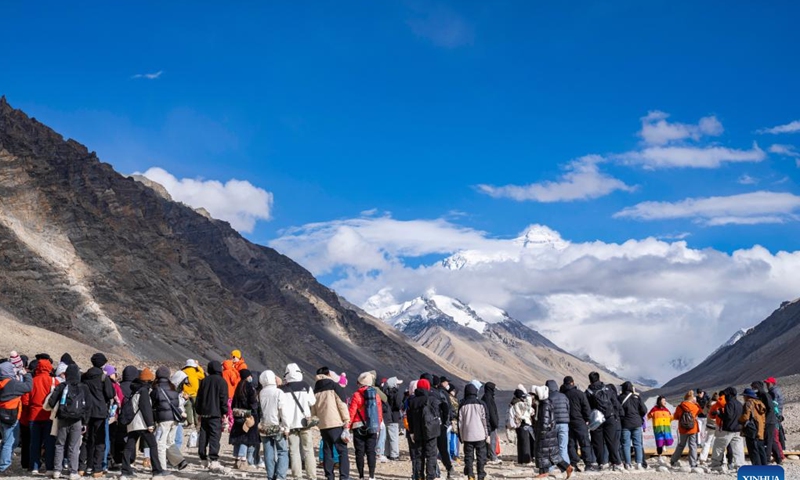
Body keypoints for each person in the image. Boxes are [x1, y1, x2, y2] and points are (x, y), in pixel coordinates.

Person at [46, 363, 88, 480]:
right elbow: (87, 406)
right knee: (73, 446)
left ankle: (57, 471)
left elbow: (51, 402)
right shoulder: (83, 387)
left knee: (60, 444)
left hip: (63, 418)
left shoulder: (62, 386)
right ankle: (73, 472)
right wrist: (85, 422)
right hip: (77, 420)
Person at [120, 368, 163, 479]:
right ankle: (157, 471)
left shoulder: (136, 390)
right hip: (142, 424)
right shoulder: (144, 391)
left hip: (132, 423)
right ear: (148, 380)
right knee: (153, 445)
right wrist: (150, 424)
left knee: (129, 446)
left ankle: (125, 472)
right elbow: (145, 408)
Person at [81, 353, 115, 477]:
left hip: (87, 411)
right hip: (100, 412)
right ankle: (97, 468)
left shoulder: (84, 376)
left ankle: (84, 466)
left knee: (87, 440)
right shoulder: (103, 377)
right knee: (99, 441)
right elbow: (110, 394)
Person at [313, 367, 350, 480]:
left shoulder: (315, 389)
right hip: (335, 423)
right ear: (328, 374)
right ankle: (344, 477)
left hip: (323, 425)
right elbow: (342, 404)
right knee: (342, 451)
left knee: (327, 450)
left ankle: (330, 476)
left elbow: (313, 410)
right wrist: (346, 420)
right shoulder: (334, 386)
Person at [283, 363, 317, 480]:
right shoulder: (306, 386)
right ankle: (312, 476)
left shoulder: (283, 389)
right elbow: (312, 402)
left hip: (291, 424)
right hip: (305, 423)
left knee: (294, 451)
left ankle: (297, 476)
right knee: (308, 450)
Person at [532, 386, 573, 479]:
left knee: (542, 453)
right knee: (553, 455)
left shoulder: (544, 405)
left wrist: (542, 432)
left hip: (545, 434)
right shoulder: (547, 403)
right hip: (549, 433)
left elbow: (545, 420)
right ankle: (567, 467)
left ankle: (544, 472)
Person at [196, 361, 229, 473]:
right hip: (216, 414)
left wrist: (199, 411)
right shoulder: (222, 382)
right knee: (214, 436)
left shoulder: (204, 381)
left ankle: (203, 458)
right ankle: (213, 459)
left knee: (203, 435)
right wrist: (225, 412)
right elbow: (223, 399)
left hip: (204, 413)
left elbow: (199, 397)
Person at [348, 372, 382, 480]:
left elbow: (352, 412)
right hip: (372, 426)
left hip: (358, 426)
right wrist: (378, 423)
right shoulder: (376, 395)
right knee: (371, 451)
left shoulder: (356, 395)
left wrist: (347, 427)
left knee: (359, 452)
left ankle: (361, 476)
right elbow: (379, 412)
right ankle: (371, 476)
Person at [0, 360, 33, 473]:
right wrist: (27, 374)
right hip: (11, 416)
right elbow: (28, 387)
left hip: (2, 415)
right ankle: (3, 466)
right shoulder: (13, 384)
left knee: (5, 440)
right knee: (10, 442)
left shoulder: (2, 382)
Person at [585, 372, 622, 471]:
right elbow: (615, 403)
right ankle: (615, 462)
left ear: (590, 380)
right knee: (612, 441)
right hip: (610, 418)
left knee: (598, 443)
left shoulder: (588, 392)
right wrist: (615, 415)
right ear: (599, 378)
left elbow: (586, 407)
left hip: (597, 420)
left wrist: (588, 419)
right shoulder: (607, 389)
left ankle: (601, 463)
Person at [560, 376, 597, 472]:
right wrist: (587, 418)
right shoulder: (580, 393)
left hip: (567, 421)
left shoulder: (563, 394)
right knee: (584, 443)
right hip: (580, 421)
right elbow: (586, 407)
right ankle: (588, 464)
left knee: (571, 444)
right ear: (572, 383)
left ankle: (573, 464)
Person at [150, 366, 183, 472]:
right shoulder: (173, 387)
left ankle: (161, 468)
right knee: (170, 441)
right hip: (175, 418)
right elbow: (177, 403)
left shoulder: (156, 388)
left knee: (160, 444)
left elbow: (152, 404)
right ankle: (180, 461)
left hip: (163, 419)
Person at [28, 357, 57, 474]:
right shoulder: (54, 381)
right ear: (49, 368)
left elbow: (26, 400)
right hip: (49, 416)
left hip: (34, 415)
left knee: (34, 443)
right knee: (49, 442)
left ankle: (34, 466)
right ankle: (49, 467)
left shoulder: (32, 381)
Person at [259, 370, 290, 480]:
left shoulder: (262, 393)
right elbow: (283, 412)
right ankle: (280, 476)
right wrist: (286, 427)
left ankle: (270, 476)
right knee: (282, 451)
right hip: (277, 426)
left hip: (264, 426)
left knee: (268, 452)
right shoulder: (278, 392)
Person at [408, 379, 438, 480]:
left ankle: (419, 477)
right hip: (431, 432)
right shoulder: (432, 399)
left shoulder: (412, 401)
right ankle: (430, 477)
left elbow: (409, 418)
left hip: (417, 432)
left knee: (418, 455)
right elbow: (437, 414)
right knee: (431, 455)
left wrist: (411, 431)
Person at [708, 387, 744, 471]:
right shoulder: (739, 404)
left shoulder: (729, 403)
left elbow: (728, 416)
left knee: (718, 446)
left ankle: (716, 464)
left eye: (726, 394)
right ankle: (740, 465)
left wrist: (719, 413)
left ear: (729, 395)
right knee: (738, 449)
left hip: (728, 429)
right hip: (738, 429)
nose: (725, 396)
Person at [230, 369, 260, 470]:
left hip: (238, 414)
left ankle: (236, 460)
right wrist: (254, 413)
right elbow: (253, 403)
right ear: (248, 376)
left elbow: (233, 403)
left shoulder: (238, 386)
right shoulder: (249, 388)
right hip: (248, 415)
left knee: (238, 438)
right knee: (245, 438)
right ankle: (243, 461)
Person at [458, 383, 489, 480]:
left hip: (467, 435)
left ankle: (470, 475)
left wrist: (461, 437)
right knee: (481, 456)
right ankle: (481, 474)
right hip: (480, 435)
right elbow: (485, 420)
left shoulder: (462, 405)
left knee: (469, 456)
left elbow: (460, 423)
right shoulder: (481, 404)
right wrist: (486, 434)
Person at [617, 381, 646, 470]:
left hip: (625, 423)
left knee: (626, 444)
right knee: (638, 444)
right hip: (637, 423)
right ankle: (639, 464)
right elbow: (644, 410)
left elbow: (618, 410)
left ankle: (628, 464)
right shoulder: (637, 397)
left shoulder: (620, 398)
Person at [752, 381, 782, 465]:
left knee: (768, 440)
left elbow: (770, 409)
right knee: (771, 440)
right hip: (766, 421)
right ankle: (778, 458)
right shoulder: (759, 396)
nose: (753, 389)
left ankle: (767, 459)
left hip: (769, 421)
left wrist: (765, 420)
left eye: (754, 387)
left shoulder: (765, 395)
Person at [670, 390, 701, 469]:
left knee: (681, 445)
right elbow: (700, 411)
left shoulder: (680, 406)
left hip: (683, 428)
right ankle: (693, 463)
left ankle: (673, 460)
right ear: (691, 398)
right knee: (693, 445)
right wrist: (696, 403)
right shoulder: (695, 406)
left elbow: (676, 416)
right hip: (692, 428)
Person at [545, 380, 570, 470]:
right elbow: (568, 408)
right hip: (564, 424)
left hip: (552, 425)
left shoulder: (548, 398)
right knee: (563, 447)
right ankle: (566, 468)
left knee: (551, 447)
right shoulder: (564, 396)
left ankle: (550, 468)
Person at [739, 388, 767, 466]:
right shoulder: (760, 403)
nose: (743, 398)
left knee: (753, 452)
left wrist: (739, 420)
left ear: (747, 396)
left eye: (744, 396)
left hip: (752, 431)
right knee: (761, 451)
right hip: (760, 431)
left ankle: (757, 470)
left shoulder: (748, 403)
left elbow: (745, 417)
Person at [509, 387, 534, 465]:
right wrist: (529, 398)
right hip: (524, 423)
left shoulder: (513, 403)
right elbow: (529, 409)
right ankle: (526, 460)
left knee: (520, 442)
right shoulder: (519, 403)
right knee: (525, 443)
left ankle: (521, 459)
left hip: (518, 425)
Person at [647, 396, 674, 463]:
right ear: (659, 401)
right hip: (658, 428)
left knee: (668, 440)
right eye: (663, 400)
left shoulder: (666, 409)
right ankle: (659, 456)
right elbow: (648, 416)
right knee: (659, 443)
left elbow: (671, 417)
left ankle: (664, 446)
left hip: (666, 428)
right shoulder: (654, 409)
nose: (665, 402)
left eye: (665, 400)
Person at [382, 377, 403, 462]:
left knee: (387, 436)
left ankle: (387, 453)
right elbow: (398, 405)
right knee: (394, 436)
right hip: (394, 416)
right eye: (397, 384)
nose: (398, 385)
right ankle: (394, 454)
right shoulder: (396, 393)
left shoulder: (385, 392)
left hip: (386, 416)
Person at [481, 382, 501, 465]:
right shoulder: (488, 398)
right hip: (490, 423)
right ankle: (493, 457)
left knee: (487, 441)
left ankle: (487, 456)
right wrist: (495, 422)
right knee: (492, 441)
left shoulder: (485, 397)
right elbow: (491, 412)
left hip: (487, 423)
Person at [181, 360, 204, 430]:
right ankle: (197, 423)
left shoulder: (183, 371)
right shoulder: (195, 372)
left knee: (188, 408)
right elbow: (202, 375)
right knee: (195, 408)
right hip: (194, 392)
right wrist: (198, 366)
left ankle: (190, 423)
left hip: (185, 393)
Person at [699, 392, 719, 463]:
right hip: (718, 425)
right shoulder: (719, 404)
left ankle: (702, 458)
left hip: (710, 424)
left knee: (707, 442)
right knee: (717, 442)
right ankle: (717, 458)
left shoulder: (708, 404)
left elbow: (704, 412)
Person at [222, 360, 240, 432]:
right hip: (230, 394)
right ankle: (231, 426)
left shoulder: (223, 372)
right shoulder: (231, 372)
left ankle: (223, 425)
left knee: (224, 411)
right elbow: (234, 381)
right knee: (230, 411)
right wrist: (235, 371)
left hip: (223, 394)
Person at [447, 385, 460, 463]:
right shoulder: (450, 399)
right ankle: (452, 455)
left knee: (454, 438)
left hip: (455, 422)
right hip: (452, 421)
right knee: (451, 439)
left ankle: (454, 454)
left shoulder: (454, 399)